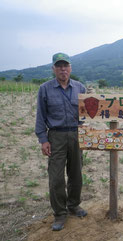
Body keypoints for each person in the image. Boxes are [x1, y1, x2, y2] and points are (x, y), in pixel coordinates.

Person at [35, 53, 87, 231]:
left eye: (65, 65)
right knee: (56, 178)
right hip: (55, 136)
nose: (63, 69)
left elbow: (85, 113)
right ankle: (59, 213)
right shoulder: (45, 89)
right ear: (53, 69)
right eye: (59, 66)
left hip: (76, 134)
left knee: (76, 175)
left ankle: (74, 206)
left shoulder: (80, 87)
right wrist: (43, 139)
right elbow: (40, 116)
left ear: (70, 68)